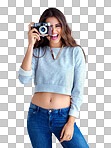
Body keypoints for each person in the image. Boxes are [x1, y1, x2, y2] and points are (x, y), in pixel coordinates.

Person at [18, 7, 89, 148]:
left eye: (58, 26)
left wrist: (71, 122)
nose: (54, 31)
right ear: (41, 28)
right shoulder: (38, 52)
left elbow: (78, 90)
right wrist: (31, 45)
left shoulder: (75, 52)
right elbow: (24, 79)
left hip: (62, 117)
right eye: (49, 27)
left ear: (64, 26)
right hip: (37, 116)